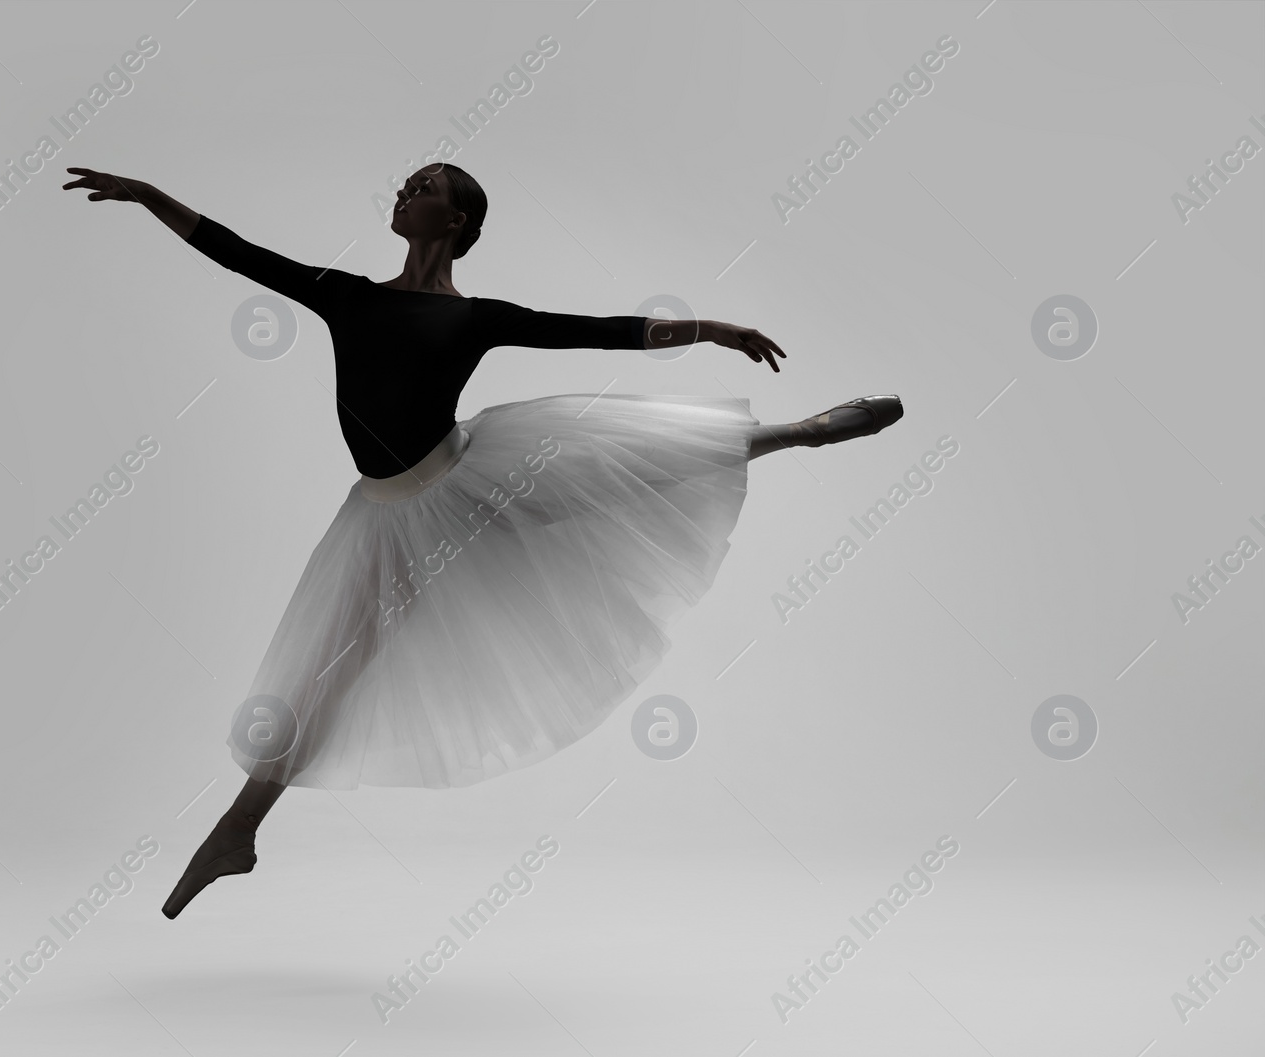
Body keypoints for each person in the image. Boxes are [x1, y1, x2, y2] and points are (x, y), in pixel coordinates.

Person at [62, 163, 902, 919]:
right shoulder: (346, 293)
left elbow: (600, 331)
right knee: (331, 669)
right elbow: (240, 252)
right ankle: (237, 831)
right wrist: (149, 197)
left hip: (466, 473)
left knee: (611, 473)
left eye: (424, 187)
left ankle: (797, 432)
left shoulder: (478, 319)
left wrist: (708, 328)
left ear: (458, 222)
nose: (403, 192)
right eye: (403, 185)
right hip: (387, 513)